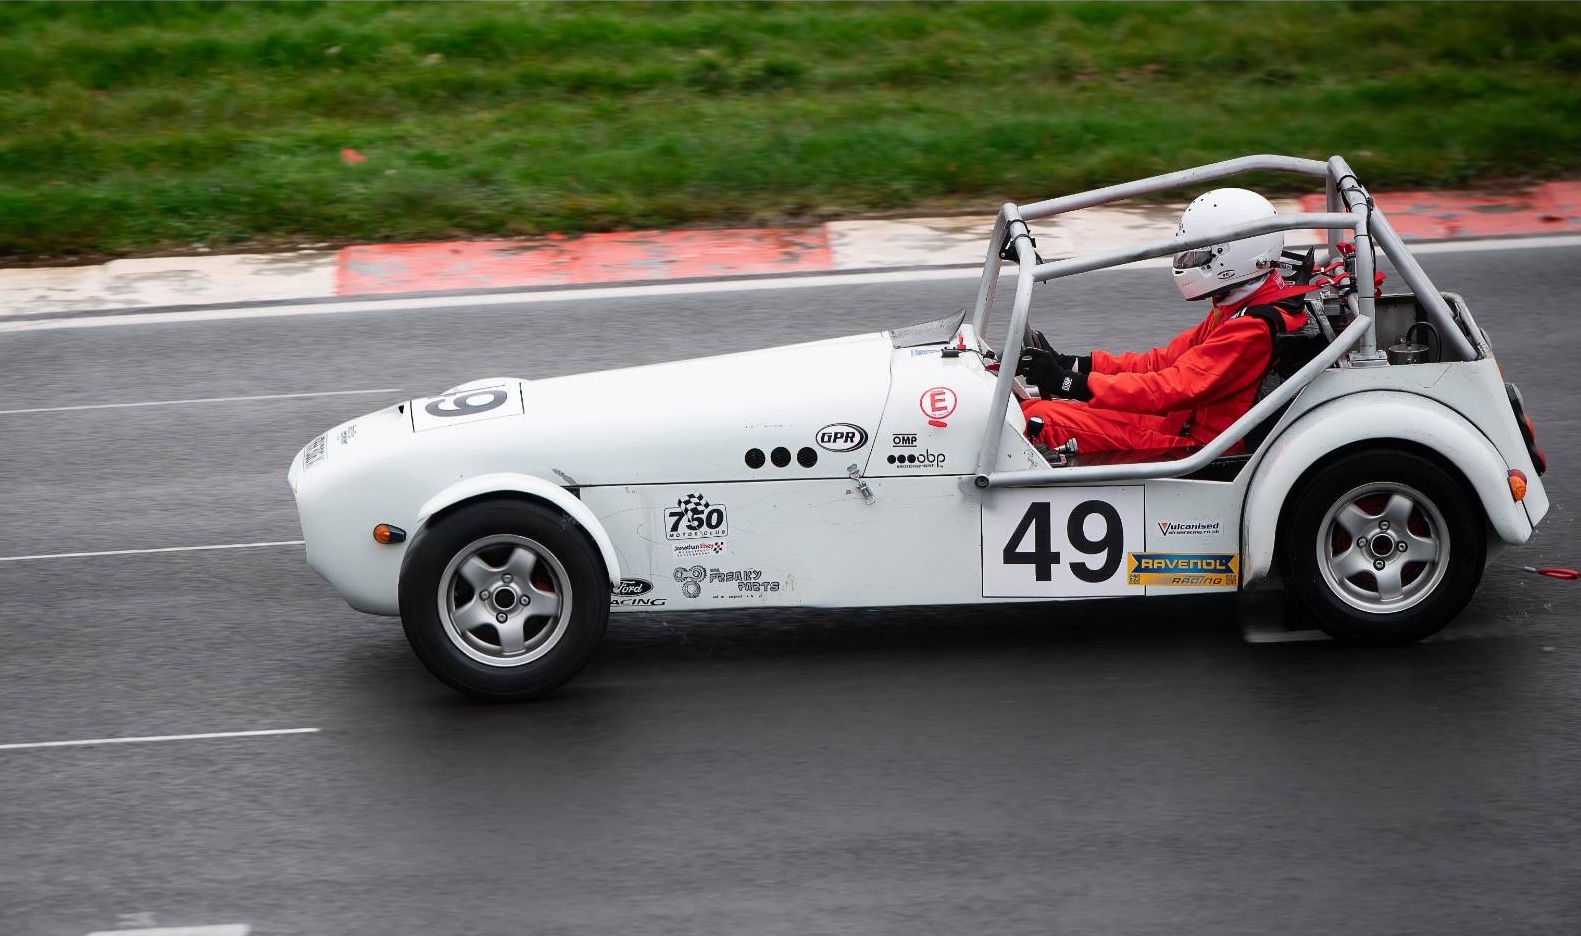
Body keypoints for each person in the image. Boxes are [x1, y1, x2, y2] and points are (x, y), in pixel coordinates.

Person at [1016, 188, 1315, 455]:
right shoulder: (1240, 304)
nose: (1187, 261)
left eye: (1196, 253)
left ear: (1234, 256)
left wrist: (1068, 383)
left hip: (1197, 448)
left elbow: (1168, 388)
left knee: (1035, 420)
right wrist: (1073, 365)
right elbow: (1162, 363)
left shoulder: (1251, 327)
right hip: (1180, 422)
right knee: (1032, 409)